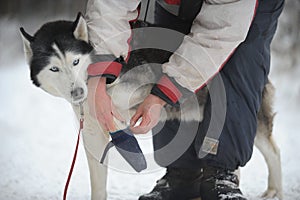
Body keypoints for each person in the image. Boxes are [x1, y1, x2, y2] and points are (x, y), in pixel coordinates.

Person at [85, 0, 284, 199]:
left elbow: (219, 32)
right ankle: (182, 175)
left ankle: (220, 173)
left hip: (239, 8)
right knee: (164, 50)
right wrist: (100, 71)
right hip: (176, 4)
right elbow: (110, 6)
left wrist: (162, 95)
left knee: (238, 66)